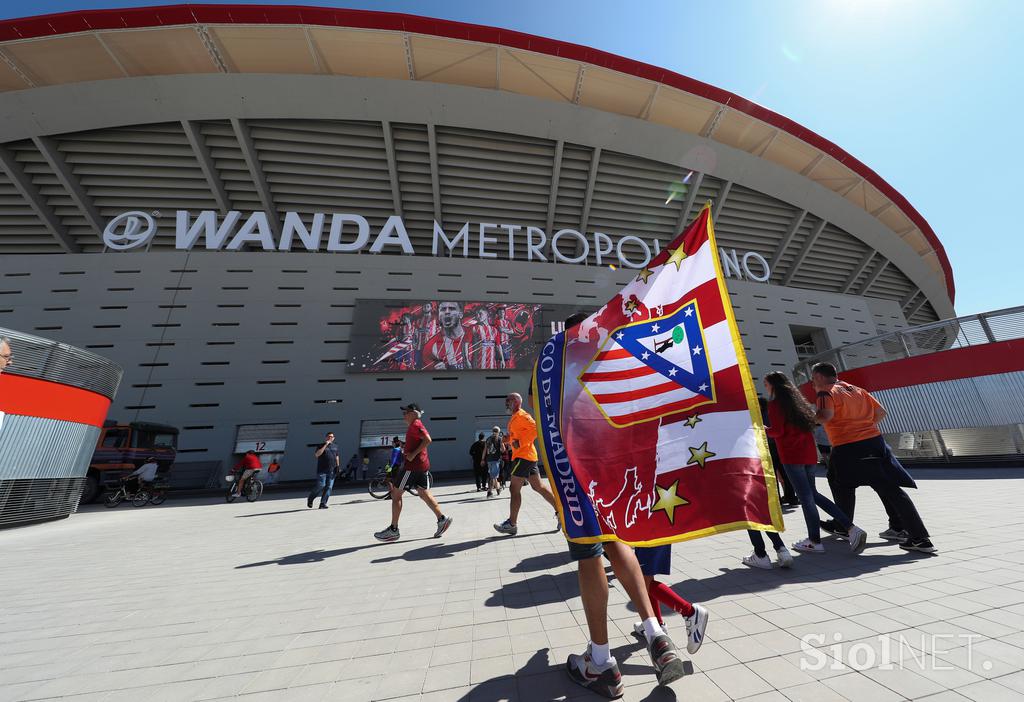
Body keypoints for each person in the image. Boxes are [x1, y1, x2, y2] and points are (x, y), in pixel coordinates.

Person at [554, 313, 686, 697]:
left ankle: (601, 662)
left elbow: (547, 418)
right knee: (617, 543)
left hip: (575, 471)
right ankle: (655, 632)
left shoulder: (558, 364)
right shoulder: (616, 360)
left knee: (589, 557)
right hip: (614, 471)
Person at [812, 362, 935, 553]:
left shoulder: (825, 392)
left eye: (813, 379)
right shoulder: (858, 390)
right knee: (877, 485)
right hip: (874, 442)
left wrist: (806, 421)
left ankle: (918, 538)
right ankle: (896, 527)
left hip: (848, 446)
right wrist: (864, 427)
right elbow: (881, 413)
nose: (813, 383)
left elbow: (825, 415)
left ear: (819, 377)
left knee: (849, 484)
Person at [762, 371, 867, 555]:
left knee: (806, 498)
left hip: (791, 455)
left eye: (766, 384)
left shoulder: (775, 404)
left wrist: (763, 430)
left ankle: (815, 540)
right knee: (813, 495)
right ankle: (850, 528)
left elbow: (777, 431)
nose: (765, 387)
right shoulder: (799, 402)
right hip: (808, 453)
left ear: (773, 385)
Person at [374, 403, 453, 542]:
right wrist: (407, 447)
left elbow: (428, 439)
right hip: (421, 466)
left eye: (406, 412)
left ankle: (393, 530)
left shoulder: (416, 424)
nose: (403, 415)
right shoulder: (415, 426)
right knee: (424, 493)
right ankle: (442, 519)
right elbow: (420, 441)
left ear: (414, 413)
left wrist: (413, 453)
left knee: (396, 494)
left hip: (412, 467)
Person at [493, 392, 558, 536]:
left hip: (523, 457)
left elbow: (535, 429)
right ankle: (562, 514)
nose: (506, 403)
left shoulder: (523, 416)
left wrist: (520, 442)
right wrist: (508, 439)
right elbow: (516, 437)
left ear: (516, 402)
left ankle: (511, 524)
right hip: (527, 456)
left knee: (514, 489)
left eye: (508, 400)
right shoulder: (514, 418)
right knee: (538, 487)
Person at [632, 545, 709, 655]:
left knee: (642, 582)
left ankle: (690, 611)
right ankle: (657, 624)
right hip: (648, 531)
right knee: (645, 577)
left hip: (648, 531)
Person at [423, 301, 472, 370]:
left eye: (452, 309)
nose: (447, 312)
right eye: (443, 309)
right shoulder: (430, 347)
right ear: (439, 316)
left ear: (460, 314)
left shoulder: (475, 334)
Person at [307, 432, 339, 509]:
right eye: (328, 436)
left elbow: (337, 456)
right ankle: (310, 498)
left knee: (329, 487)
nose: (330, 438)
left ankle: (323, 503)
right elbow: (317, 454)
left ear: (334, 438)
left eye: (331, 437)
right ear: (326, 437)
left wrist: (338, 466)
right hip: (322, 471)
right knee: (321, 485)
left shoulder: (335, 446)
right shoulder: (320, 445)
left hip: (332, 471)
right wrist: (325, 445)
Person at [484, 426, 504, 498]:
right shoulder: (499, 439)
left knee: (494, 476)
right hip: (496, 460)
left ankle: (498, 489)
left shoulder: (488, 439)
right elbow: (503, 449)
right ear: (498, 432)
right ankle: (489, 492)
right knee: (493, 476)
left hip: (489, 460)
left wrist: (483, 459)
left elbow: (485, 450)